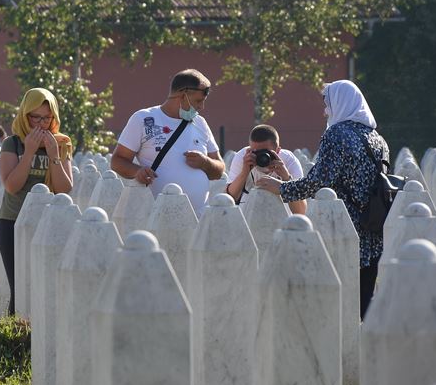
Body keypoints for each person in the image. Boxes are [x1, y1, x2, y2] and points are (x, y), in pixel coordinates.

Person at [256, 80, 389, 319]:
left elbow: (320, 180)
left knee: (335, 308)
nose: (325, 110)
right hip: (372, 229)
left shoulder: (336, 134)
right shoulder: (378, 139)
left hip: (339, 226)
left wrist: (283, 188)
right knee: (364, 304)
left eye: (327, 103)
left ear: (340, 102)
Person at [0, 88, 74, 315]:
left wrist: (53, 154)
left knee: (47, 288)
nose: (42, 124)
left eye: (47, 118)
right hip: (13, 222)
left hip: (49, 224)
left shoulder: (61, 144)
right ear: (24, 115)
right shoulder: (12, 144)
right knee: (19, 287)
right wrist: (29, 152)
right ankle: (17, 342)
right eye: (36, 117)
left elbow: (64, 189)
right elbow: (11, 185)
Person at [111, 69, 225, 215]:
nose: (201, 107)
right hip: (157, 217)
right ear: (183, 95)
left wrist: (205, 163)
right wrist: (137, 171)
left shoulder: (200, 123)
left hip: (199, 218)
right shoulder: (143, 119)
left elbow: (220, 168)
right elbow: (117, 160)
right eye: (198, 101)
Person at [226, 124, 306, 214]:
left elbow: (301, 211)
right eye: (255, 152)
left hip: (283, 219)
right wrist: (244, 172)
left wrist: (286, 178)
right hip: (248, 218)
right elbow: (229, 198)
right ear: (249, 149)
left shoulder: (289, 160)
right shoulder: (243, 157)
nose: (261, 157)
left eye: (265, 153)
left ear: (278, 151)